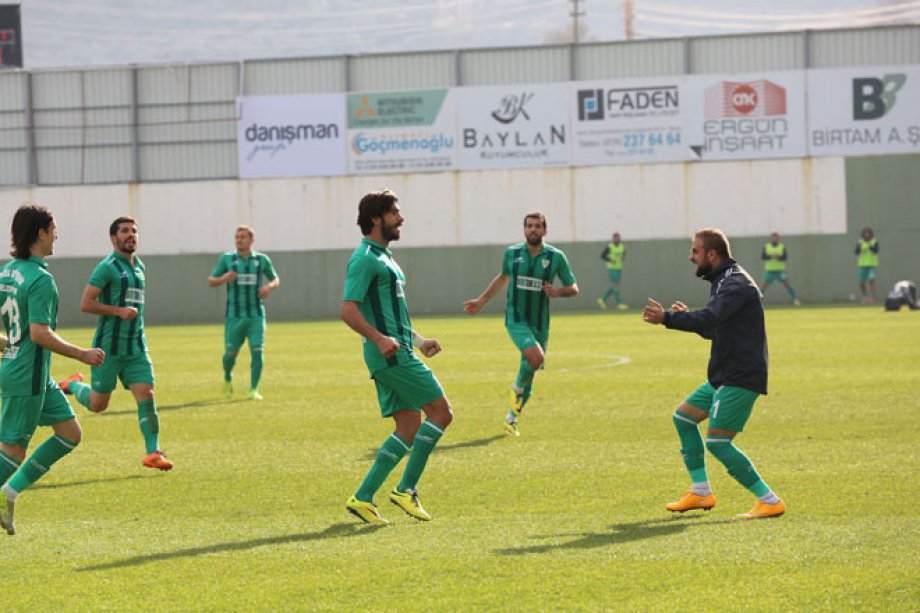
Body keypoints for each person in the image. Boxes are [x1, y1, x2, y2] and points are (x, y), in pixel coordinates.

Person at [642, 227, 785, 519]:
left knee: (718, 443)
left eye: (694, 251)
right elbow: (715, 327)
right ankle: (701, 492)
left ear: (711, 254)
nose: (690, 257)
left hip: (741, 376)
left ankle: (769, 500)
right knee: (683, 418)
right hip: (724, 376)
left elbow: (710, 317)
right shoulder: (723, 281)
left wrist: (668, 317)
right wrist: (686, 317)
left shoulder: (735, 284)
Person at [341, 189, 454, 524]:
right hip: (391, 356)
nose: (401, 219)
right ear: (376, 219)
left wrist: (418, 340)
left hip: (398, 350)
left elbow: (391, 315)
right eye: (394, 213)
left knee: (408, 425)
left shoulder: (385, 258)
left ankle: (362, 498)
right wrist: (378, 339)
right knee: (442, 413)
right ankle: (406, 490)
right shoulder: (365, 258)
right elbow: (348, 310)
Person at [0, 203, 106, 535]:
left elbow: (20, 333)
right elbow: (39, 334)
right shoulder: (40, 279)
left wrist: (10, 345)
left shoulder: (7, 273)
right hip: (27, 377)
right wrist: (81, 354)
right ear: (40, 233)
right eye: (53, 230)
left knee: (70, 433)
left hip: (29, 374)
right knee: (13, 449)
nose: (56, 236)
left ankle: (9, 492)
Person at [58, 216, 173, 471]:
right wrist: (118, 311)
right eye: (124, 231)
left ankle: (153, 453)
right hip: (108, 348)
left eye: (134, 231)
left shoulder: (140, 267)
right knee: (98, 405)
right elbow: (86, 303)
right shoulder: (107, 267)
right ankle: (72, 385)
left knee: (147, 394)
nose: (130, 235)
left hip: (136, 347)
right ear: (113, 238)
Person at [463, 212, 578, 436]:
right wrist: (481, 301)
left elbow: (573, 287)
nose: (533, 229)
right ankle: (516, 387)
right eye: (529, 226)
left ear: (545, 230)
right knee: (535, 358)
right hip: (516, 319)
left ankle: (511, 418)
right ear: (524, 229)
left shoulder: (556, 257)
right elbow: (502, 278)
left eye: (537, 226)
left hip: (540, 323)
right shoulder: (512, 253)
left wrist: (558, 292)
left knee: (531, 372)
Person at [207, 226, 280, 400]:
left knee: (257, 350)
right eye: (237, 237)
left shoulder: (261, 260)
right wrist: (224, 278)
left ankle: (253, 389)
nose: (239, 240)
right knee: (230, 355)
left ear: (252, 240)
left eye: (243, 237)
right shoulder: (227, 258)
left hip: (255, 314)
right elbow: (211, 280)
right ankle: (227, 376)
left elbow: (275, 279)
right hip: (234, 315)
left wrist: (269, 287)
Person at [760, 232, 801, 305]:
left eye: (776, 238)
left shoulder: (782, 246)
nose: (774, 239)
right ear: (771, 238)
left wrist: (778, 257)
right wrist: (771, 256)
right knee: (764, 286)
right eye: (773, 238)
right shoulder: (766, 246)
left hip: (780, 271)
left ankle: (795, 299)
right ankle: (758, 300)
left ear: (778, 239)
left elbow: (785, 257)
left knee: (787, 284)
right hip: (770, 271)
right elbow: (763, 257)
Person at [597, 232, 628, 310]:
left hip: (619, 268)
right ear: (613, 239)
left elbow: (624, 254)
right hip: (612, 268)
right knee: (616, 285)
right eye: (615, 238)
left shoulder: (622, 247)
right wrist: (610, 259)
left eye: (618, 238)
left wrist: (623, 257)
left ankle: (602, 299)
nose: (617, 239)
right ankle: (619, 304)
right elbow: (602, 255)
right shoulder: (609, 247)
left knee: (614, 286)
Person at [855, 227, 879, 303]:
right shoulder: (860, 242)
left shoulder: (874, 242)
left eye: (868, 233)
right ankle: (865, 297)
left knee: (871, 281)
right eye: (865, 233)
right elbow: (856, 252)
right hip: (862, 265)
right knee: (861, 282)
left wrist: (869, 245)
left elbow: (876, 251)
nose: (867, 235)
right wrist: (859, 247)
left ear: (871, 234)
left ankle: (873, 298)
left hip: (871, 265)